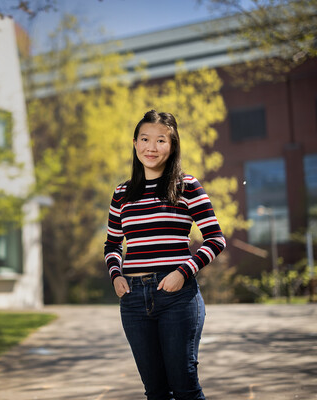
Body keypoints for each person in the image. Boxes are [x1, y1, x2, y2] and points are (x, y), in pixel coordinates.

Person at [104, 110, 226, 400]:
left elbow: (215, 239)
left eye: (161, 140)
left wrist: (182, 272)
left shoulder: (187, 186)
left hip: (178, 297)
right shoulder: (122, 193)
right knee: (155, 391)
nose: (151, 147)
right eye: (145, 139)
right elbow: (112, 245)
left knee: (184, 386)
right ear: (135, 143)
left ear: (172, 146)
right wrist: (116, 276)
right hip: (133, 300)